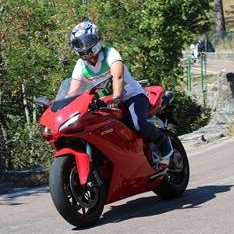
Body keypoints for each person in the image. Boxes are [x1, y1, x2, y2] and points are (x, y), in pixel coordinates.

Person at [68, 18, 173, 170]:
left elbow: (118, 77)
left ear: (97, 39)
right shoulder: (80, 65)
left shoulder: (110, 53)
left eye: (87, 41)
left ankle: (162, 141)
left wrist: (117, 97)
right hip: (106, 102)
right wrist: (60, 107)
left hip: (131, 96)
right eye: (79, 43)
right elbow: (73, 92)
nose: (84, 47)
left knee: (137, 124)